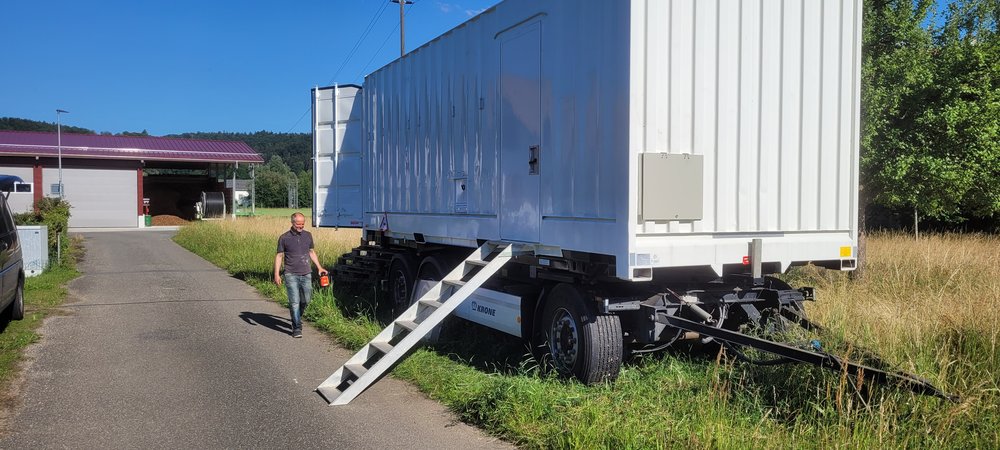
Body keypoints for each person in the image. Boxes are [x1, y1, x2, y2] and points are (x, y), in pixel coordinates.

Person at [274, 212, 327, 338]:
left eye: (302, 224)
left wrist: (319, 267)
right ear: (292, 223)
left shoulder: (308, 235)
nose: (300, 227)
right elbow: (279, 256)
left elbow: (311, 252)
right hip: (290, 274)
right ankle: (297, 327)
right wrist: (276, 274)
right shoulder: (284, 238)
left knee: (306, 300)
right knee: (294, 302)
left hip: (306, 273)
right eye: (298, 224)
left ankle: (297, 316)